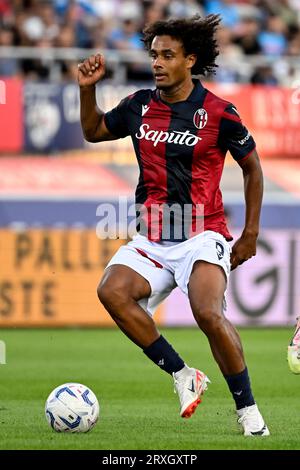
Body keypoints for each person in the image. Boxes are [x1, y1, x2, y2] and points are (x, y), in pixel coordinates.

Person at [78, 14, 269, 436]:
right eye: (154, 55)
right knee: (111, 291)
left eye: (168, 55)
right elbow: (92, 130)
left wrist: (251, 232)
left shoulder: (219, 112)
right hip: (152, 236)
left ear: (190, 60)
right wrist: (86, 91)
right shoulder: (138, 106)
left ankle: (248, 410)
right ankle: (184, 375)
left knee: (206, 312)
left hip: (203, 234)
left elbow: (253, 169)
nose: (158, 63)